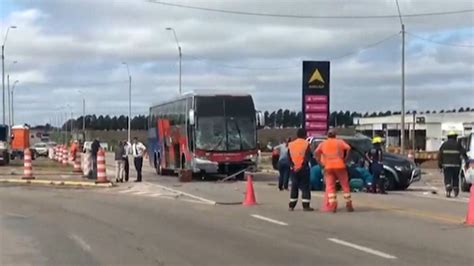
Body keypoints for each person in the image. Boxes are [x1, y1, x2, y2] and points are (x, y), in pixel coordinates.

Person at [315, 129, 353, 213]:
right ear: (335, 135)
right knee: (345, 185)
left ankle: (333, 205)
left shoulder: (323, 144)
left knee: (330, 186)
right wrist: (345, 159)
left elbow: (316, 153)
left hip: (328, 167)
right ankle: (348, 204)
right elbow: (349, 148)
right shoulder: (340, 142)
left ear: (327, 135)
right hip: (340, 166)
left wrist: (320, 164)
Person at [287, 129, 313, 211]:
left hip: (293, 169)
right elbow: (308, 157)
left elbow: (288, 157)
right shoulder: (306, 144)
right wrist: (301, 166)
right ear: (305, 135)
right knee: (305, 187)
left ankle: (292, 205)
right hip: (303, 169)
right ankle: (306, 206)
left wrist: (292, 166)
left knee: (294, 186)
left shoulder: (291, 144)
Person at [438, 131, 468, 198]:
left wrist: (440, 164)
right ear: (455, 137)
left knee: (447, 177)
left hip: (446, 165)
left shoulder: (444, 144)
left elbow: (440, 155)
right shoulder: (458, 144)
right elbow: (464, 153)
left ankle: (448, 187)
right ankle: (455, 189)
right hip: (456, 165)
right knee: (455, 178)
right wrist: (467, 161)